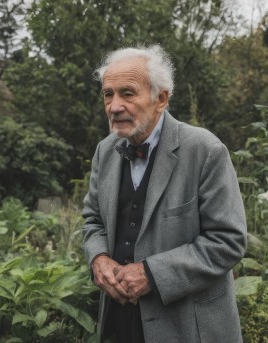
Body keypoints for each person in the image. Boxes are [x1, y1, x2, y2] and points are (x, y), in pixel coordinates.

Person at [82, 45, 247, 343]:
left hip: (184, 327)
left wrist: (152, 274)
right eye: (108, 94)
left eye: (127, 93)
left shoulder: (205, 150)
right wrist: (99, 258)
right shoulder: (105, 151)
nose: (115, 105)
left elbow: (228, 240)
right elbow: (93, 219)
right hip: (118, 324)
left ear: (161, 99)